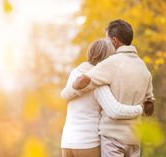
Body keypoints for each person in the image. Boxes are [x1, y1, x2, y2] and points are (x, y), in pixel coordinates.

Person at [70, 19, 155, 157]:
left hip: (112, 139)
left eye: (107, 39)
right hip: (134, 138)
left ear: (115, 41)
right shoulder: (143, 67)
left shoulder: (111, 63)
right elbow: (149, 107)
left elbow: (82, 81)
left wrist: (75, 84)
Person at [61, 38, 143, 157]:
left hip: (67, 143)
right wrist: (139, 109)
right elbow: (114, 111)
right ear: (107, 59)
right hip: (87, 144)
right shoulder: (97, 82)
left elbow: (65, 95)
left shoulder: (75, 73)